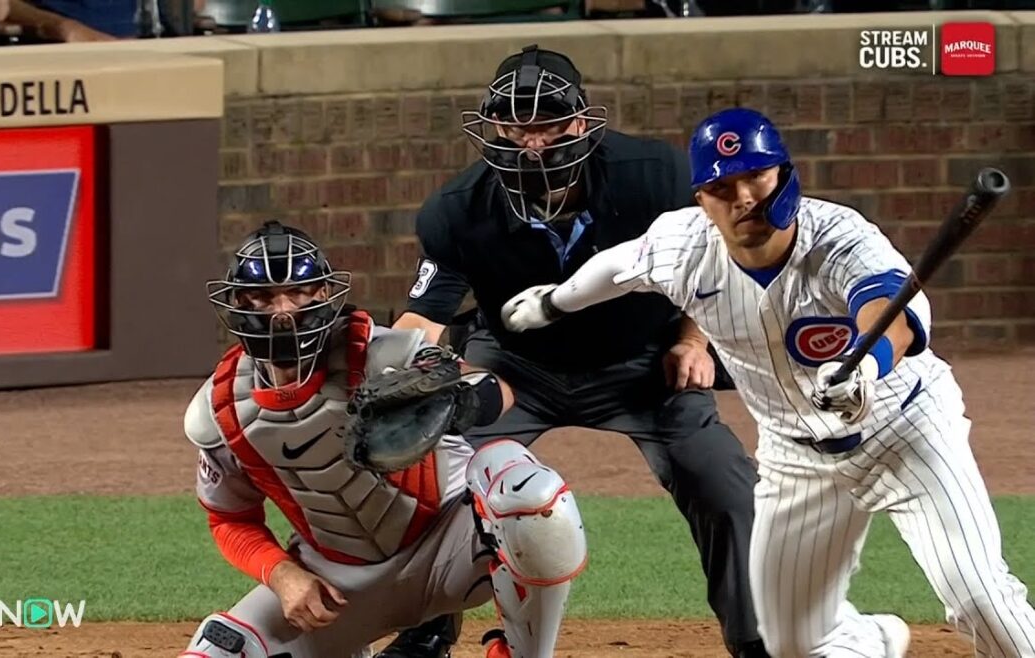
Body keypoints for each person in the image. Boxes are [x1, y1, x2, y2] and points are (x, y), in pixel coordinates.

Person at [501, 106, 1035, 657]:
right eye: (722, 186)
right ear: (701, 199)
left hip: (904, 432)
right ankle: (872, 638)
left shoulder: (840, 238)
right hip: (796, 456)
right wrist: (554, 302)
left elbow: (892, 310)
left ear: (782, 172)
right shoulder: (684, 249)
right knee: (791, 642)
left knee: (979, 597)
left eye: (755, 175)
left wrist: (865, 361)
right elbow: (617, 267)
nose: (743, 197)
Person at [378, 44, 768, 658]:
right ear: (494, 128)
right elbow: (422, 318)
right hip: (516, 368)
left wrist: (692, 339)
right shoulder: (457, 211)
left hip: (643, 361)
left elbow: (712, 259)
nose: (531, 143)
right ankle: (428, 628)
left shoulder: (654, 175)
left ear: (582, 122)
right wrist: (393, 373)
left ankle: (754, 639)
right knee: (433, 473)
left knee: (724, 481)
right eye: (515, 125)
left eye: (547, 124)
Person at [177, 220, 588, 658]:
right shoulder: (220, 411)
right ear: (239, 303)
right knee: (215, 652)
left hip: (449, 549)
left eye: (298, 292)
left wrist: (459, 401)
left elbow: (496, 389)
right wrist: (282, 575)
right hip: (341, 586)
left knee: (528, 492)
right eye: (262, 296)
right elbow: (230, 520)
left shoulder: (386, 353)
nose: (282, 311)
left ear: (321, 295)